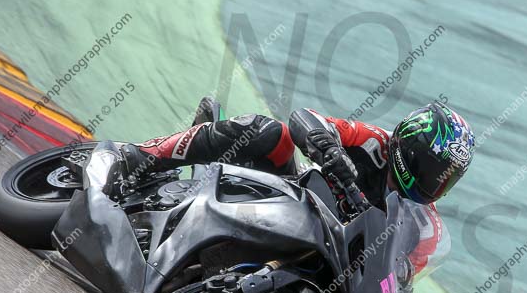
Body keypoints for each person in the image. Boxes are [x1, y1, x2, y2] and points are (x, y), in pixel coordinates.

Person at [124, 96, 475, 274]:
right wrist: (329, 148)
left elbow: (396, 287)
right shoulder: (374, 142)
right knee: (270, 133)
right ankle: (139, 157)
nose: (435, 182)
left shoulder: (425, 230)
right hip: (290, 193)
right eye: (432, 170)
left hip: (318, 262)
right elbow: (307, 118)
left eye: (446, 177)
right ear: (410, 148)